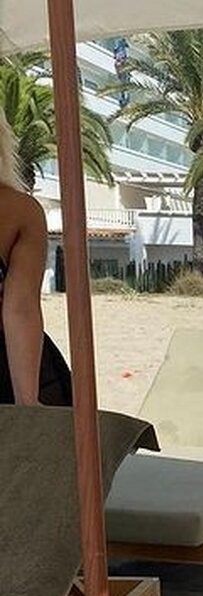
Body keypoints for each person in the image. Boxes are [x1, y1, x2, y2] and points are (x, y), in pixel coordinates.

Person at [0, 109, 72, 406]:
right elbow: (19, 310)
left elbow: (20, 309)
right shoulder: (18, 210)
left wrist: (27, 405)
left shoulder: (19, 211)